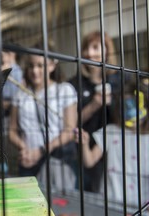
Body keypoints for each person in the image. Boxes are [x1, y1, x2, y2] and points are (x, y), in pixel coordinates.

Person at [9, 43, 78, 190]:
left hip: (56, 159)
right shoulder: (20, 94)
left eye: (41, 66)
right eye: (31, 66)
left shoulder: (65, 90)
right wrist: (25, 149)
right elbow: (12, 131)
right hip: (27, 159)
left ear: (52, 65)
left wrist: (40, 151)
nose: (35, 71)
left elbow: (69, 130)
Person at [75, 82, 149, 210]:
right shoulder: (110, 131)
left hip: (142, 205)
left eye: (136, 104)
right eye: (125, 106)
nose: (131, 111)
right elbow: (89, 161)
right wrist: (84, 144)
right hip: (110, 202)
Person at [69, 30, 118, 192]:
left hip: (115, 152)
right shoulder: (74, 84)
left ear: (107, 51)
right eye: (86, 48)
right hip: (84, 151)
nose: (89, 53)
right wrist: (93, 106)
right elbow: (70, 123)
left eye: (96, 47)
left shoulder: (120, 80)